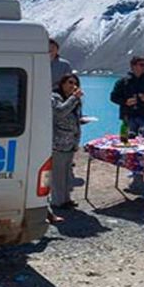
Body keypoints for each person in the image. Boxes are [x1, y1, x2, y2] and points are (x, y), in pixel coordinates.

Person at [110, 56, 144, 186]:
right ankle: (134, 170)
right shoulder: (122, 82)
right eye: (141, 64)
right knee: (127, 144)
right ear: (133, 66)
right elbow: (113, 97)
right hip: (127, 117)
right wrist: (125, 101)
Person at [50, 74, 86, 213]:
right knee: (57, 175)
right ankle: (57, 201)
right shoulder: (55, 97)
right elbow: (59, 112)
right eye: (70, 82)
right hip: (58, 143)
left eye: (75, 83)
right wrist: (74, 98)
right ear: (62, 83)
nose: (73, 86)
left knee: (67, 173)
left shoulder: (73, 100)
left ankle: (66, 199)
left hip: (70, 142)